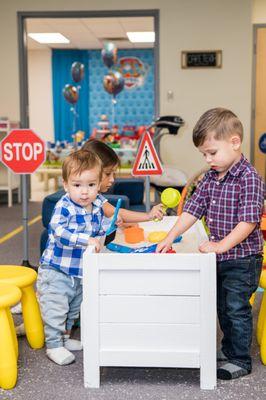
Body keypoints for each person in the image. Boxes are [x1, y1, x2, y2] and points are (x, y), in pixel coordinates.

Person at [156, 107, 265, 380]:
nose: (207, 159)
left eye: (212, 153)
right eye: (203, 154)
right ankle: (229, 349)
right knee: (221, 306)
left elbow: (248, 222)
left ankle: (240, 359)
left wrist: (221, 245)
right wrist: (170, 235)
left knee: (236, 307)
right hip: (220, 258)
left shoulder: (249, 179)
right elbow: (191, 210)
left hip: (242, 258)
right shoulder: (209, 179)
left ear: (235, 143)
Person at [37, 149, 110, 366]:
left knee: (73, 307)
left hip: (78, 271)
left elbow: (98, 228)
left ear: (99, 184)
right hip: (57, 270)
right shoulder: (65, 206)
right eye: (77, 185)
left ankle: (65, 338)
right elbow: (58, 231)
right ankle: (53, 344)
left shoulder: (96, 205)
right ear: (66, 184)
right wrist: (85, 240)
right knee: (56, 308)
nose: (84, 192)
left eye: (91, 185)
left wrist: (111, 225)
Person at [82, 139, 164, 223]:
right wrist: (148, 215)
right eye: (107, 174)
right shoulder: (84, 198)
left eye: (113, 174)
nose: (112, 179)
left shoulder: (96, 196)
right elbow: (115, 212)